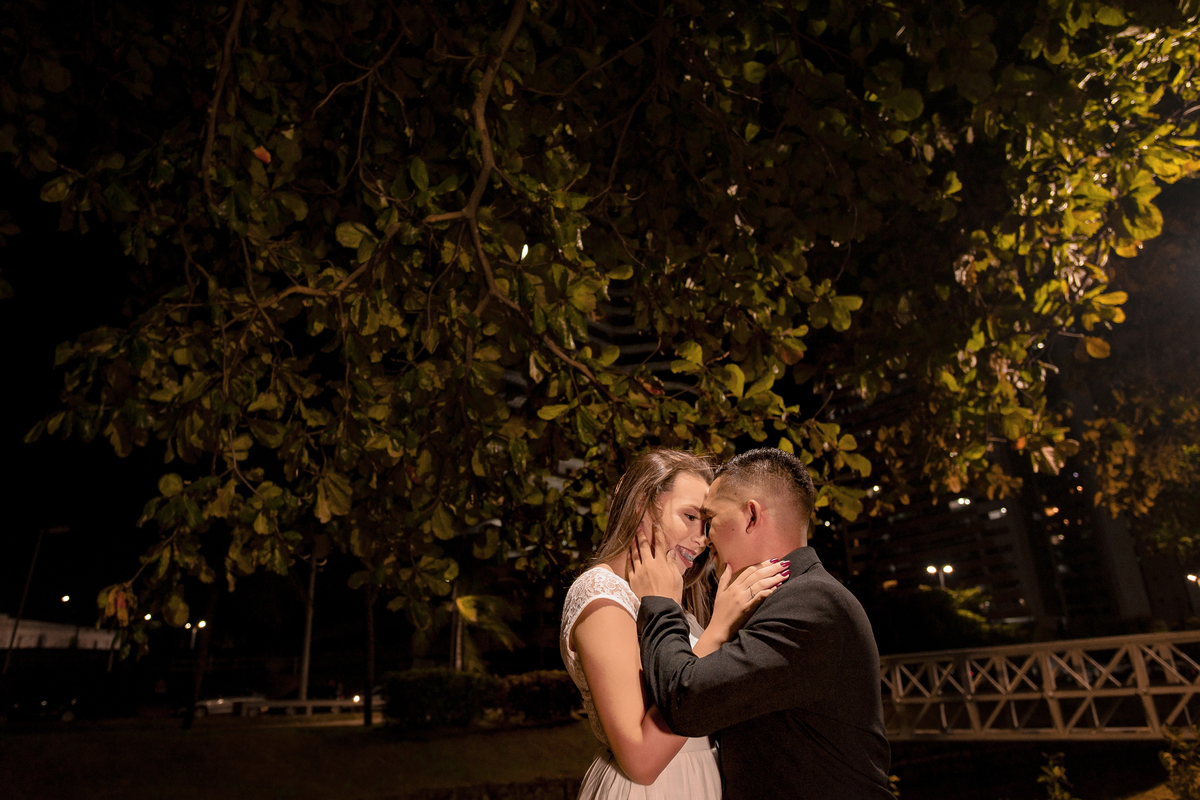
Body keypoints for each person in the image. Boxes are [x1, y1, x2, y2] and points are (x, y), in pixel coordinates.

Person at [629, 447, 893, 800]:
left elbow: (687, 703)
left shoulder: (811, 603)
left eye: (710, 520)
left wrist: (661, 605)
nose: (705, 539)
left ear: (751, 516)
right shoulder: (788, 598)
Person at [559, 450, 788, 800]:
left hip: (698, 780)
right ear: (641, 505)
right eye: (690, 516)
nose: (702, 538)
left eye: (706, 522)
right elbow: (640, 760)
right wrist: (718, 631)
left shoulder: (669, 595)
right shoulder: (601, 597)